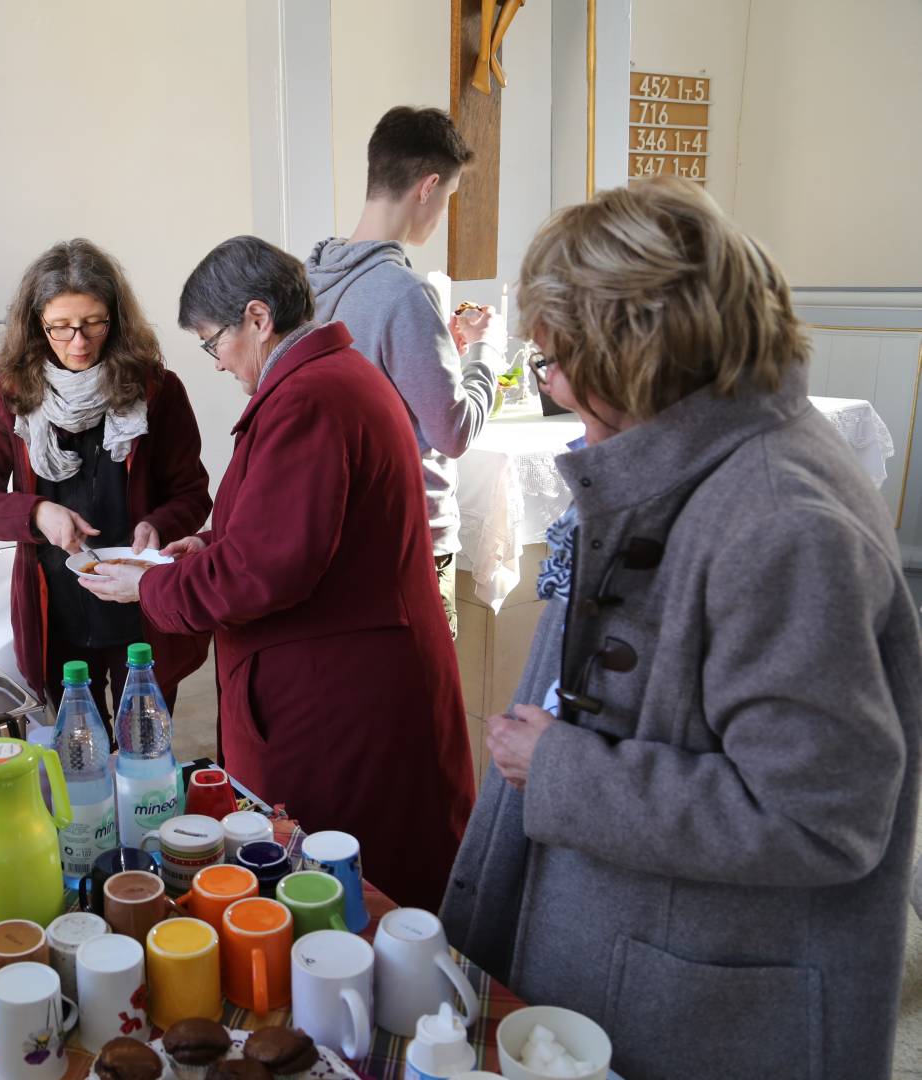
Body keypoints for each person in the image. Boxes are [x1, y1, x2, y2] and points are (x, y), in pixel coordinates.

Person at [438, 178, 921, 1079]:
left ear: (634, 354)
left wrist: (563, 769)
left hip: (709, 1004)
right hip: (642, 950)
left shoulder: (782, 519)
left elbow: (820, 818)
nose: (553, 384)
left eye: (557, 359)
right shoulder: (690, 456)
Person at [83, 236, 472, 909]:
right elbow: (292, 526)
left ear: (258, 318)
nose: (216, 362)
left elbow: (266, 570)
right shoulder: (326, 379)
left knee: (343, 891)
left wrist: (148, 585)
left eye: (213, 342)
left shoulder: (310, 398)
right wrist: (206, 543)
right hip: (343, 675)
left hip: (340, 700)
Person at [0, 239, 211, 726]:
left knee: (144, 745)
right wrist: (35, 512)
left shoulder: (157, 391)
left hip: (141, 606)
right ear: (37, 324)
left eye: (94, 323)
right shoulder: (13, 394)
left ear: (115, 318)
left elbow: (192, 493)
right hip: (57, 613)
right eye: (61, 327)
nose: (79, 342)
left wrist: (159, 524)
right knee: (77, 750)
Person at [306, 106, 501, 640]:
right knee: (423, 685)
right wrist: (485, 353)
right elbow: (452, 432)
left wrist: (442, 354)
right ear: (428, 186)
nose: (442, 212)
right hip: (408, 538)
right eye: (449, 197)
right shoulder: (403, 292)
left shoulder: (308, 279)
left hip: (336, 528)